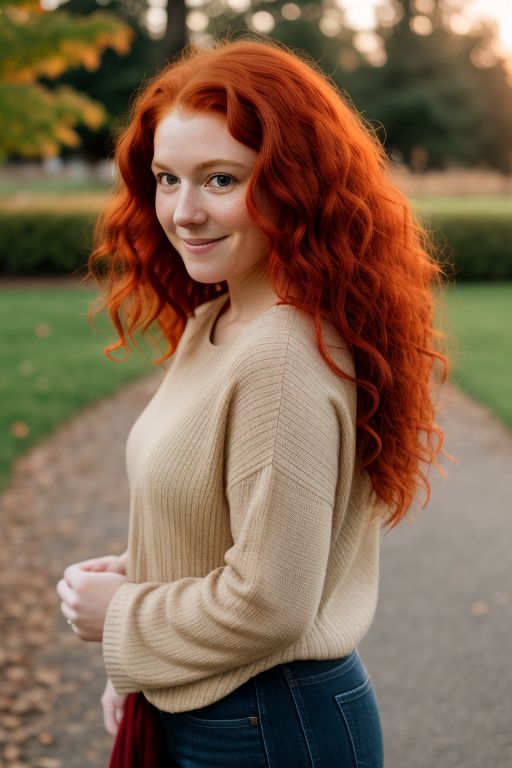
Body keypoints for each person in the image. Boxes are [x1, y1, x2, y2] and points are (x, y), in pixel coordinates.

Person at [56, 36, 453, 767]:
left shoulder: (281, 354)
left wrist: (124, 617)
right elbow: (231, 524)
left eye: (220, 179)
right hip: (221, 711)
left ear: (293, 183)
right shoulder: (218, 321)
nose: (183, 212)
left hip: (265, 725)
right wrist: (137, 579)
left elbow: (270, 600)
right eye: (167, 178)